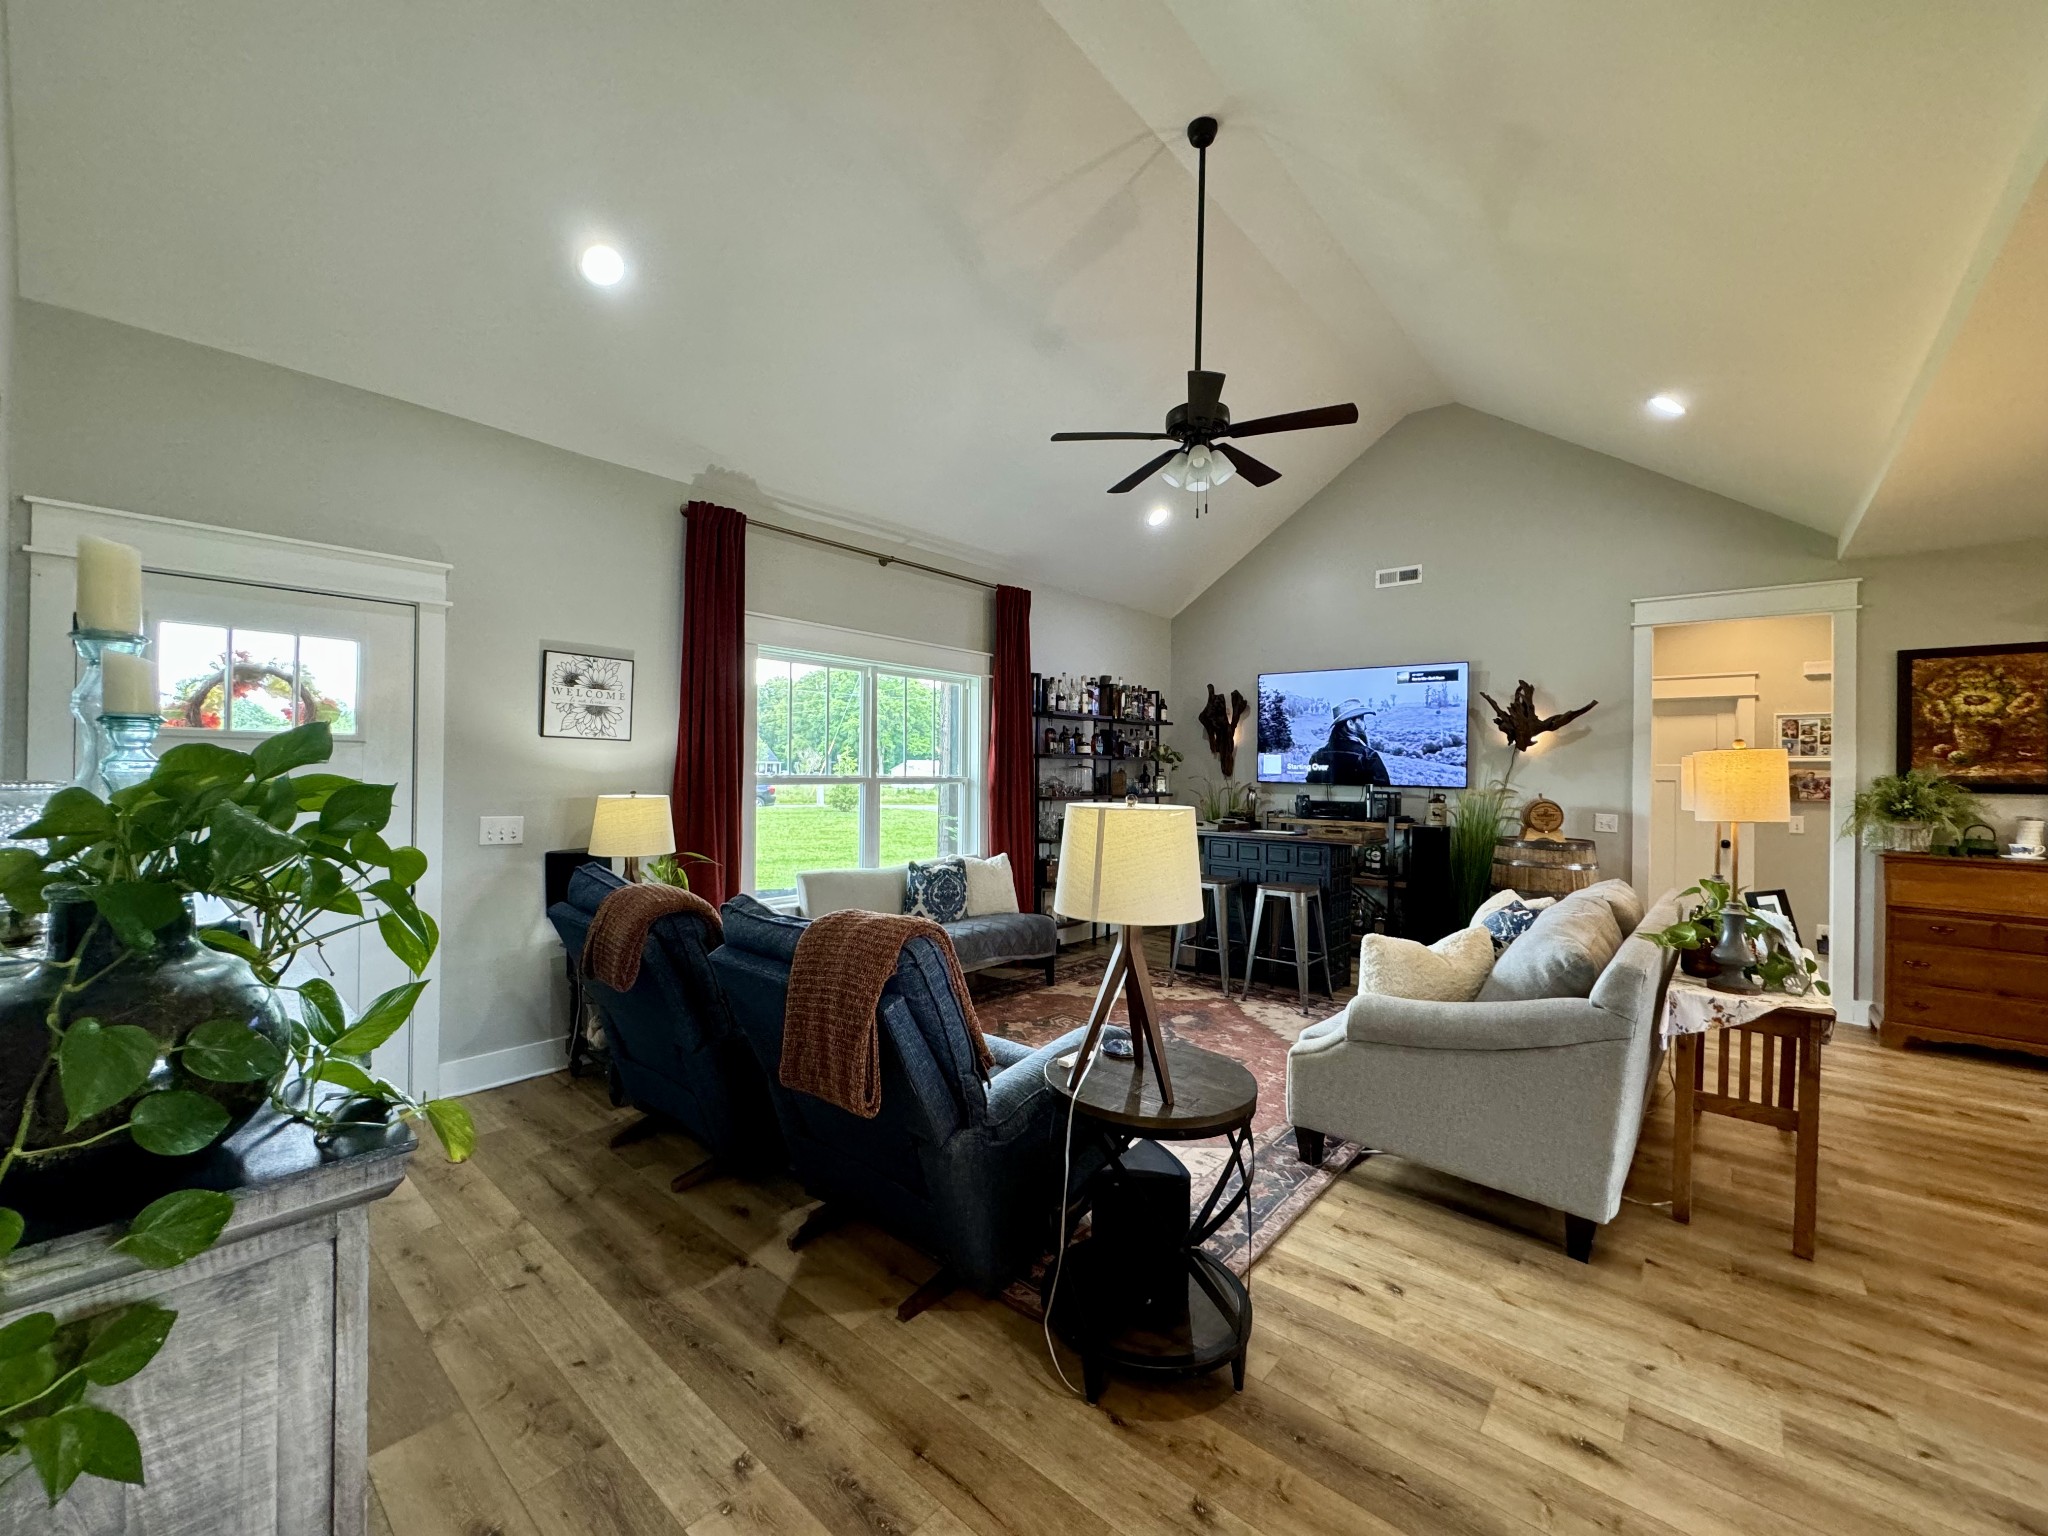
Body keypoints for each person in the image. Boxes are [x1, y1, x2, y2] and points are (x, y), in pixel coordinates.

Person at [1305, 698, 1391, 786]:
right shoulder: (1368, 756)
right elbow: (1383, 791)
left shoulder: (1317, 756)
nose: (1365, 726)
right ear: (1350, 724)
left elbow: (1311, 789)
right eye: (1361, 719)